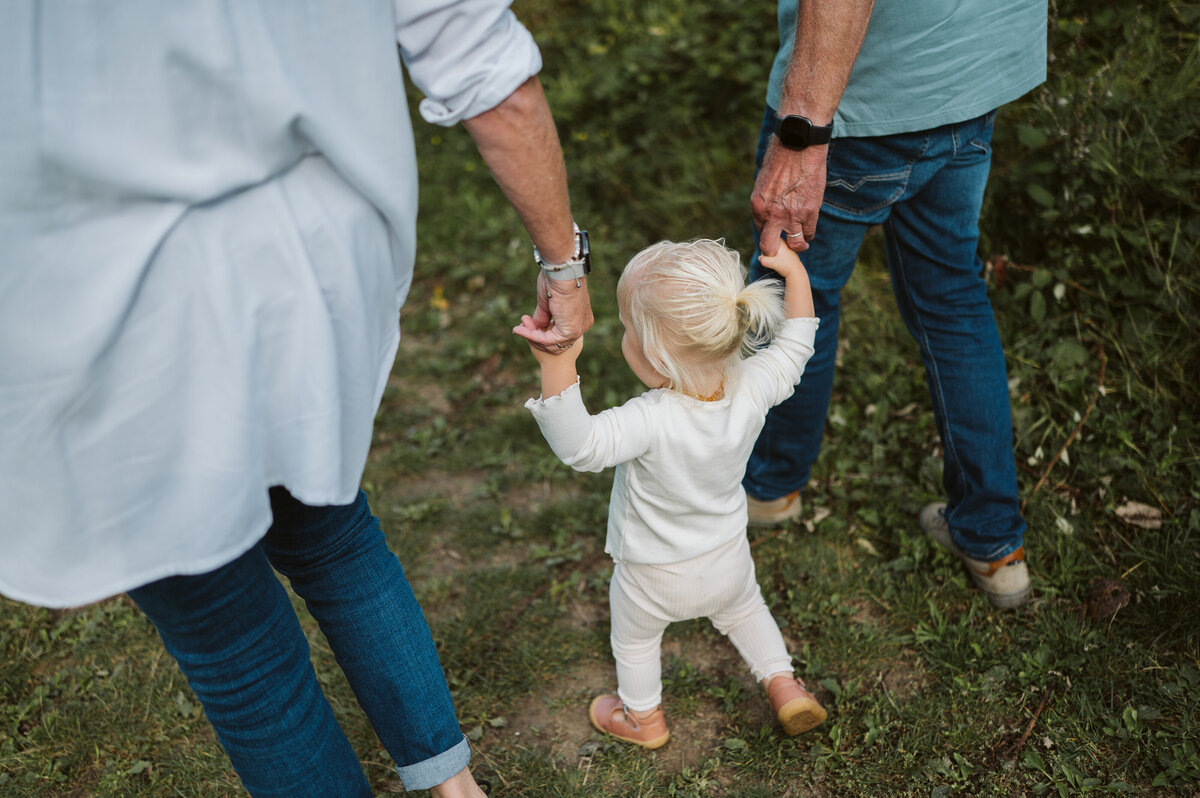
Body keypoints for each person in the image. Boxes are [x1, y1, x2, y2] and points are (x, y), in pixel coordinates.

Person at [0, 2, 592, 796]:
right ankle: (456, 791)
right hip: (297, 265)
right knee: (334, 535)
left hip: (99, 307)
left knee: (236, 648)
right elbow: (485, 64)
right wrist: (564, 265)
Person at [742, 0, 1048, 609]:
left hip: (863, 98)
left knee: (794, 290)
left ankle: (770, 488)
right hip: (973, 74)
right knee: (952, 297)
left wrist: (801, 135)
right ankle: (993, 544)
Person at [520, 239, 826, 748]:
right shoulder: (754, 385)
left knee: (636, 641)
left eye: (626, 329)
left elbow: (582, 447)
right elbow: (797, 344)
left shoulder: (650, 419)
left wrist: (557, 360)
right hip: (726, 555)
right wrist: (793, 275)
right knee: (747, 610)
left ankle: (645, 719)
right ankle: (783, 682)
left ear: (653, 352)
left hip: (650, 574)